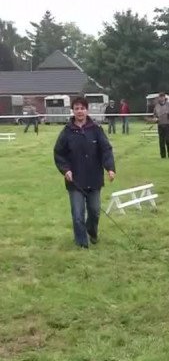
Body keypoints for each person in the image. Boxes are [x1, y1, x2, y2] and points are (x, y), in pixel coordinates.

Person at [53, 96, 116, 248]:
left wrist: (110, 168)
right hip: (75, 180)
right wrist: (65, 170)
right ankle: (82, 243)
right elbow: (59, 153)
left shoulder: (96, 129)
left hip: (94, 178)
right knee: (78, 215)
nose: (80, 111)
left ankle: (92, 232)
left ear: (87, 110)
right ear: (73, 111)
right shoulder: (67, 132)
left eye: (82, 108)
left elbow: (106, 150)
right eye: (77, 108)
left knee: (94, 212)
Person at [153, 92, 169, 158]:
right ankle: (163, 156)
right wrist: (155, 119)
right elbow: (155, 115)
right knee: (161, 141)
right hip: (160, 125)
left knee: (167, 140)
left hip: (168, 124)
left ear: (164, 97)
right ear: (159, 98)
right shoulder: (156, 106)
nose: (161, 98)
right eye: (160, 97)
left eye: (162, 97)